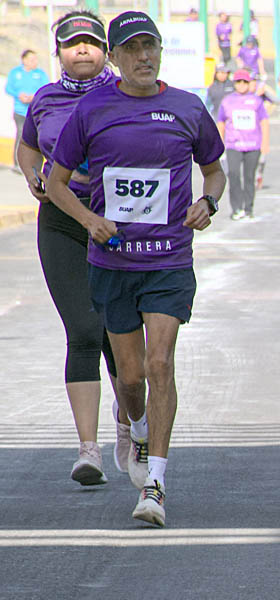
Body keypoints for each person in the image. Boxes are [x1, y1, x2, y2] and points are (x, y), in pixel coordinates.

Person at [46, 11, 226, 527]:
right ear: (117, 58)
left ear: (161, 53)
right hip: (112, 262)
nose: (144, 56)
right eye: (132, 49)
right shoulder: (93, 108)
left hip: (168, 260)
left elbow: (213, 172)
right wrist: (89, 219)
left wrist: (207, 204)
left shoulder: (187, 108)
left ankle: (156, 485)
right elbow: (56, 184)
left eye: (152, 47)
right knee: (129, 378)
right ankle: (137, 425)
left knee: (160, 364)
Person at [16, 10, 124, 487]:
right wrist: (31, 173)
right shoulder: (45, 98)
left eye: (91, 43)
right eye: (71, 43)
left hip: (118, 228)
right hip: (61, 223)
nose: (82, 50)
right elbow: (26, 146)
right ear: (58, 51)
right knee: (83, 328)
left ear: (106, 50)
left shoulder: (127, 96)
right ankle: (88, 449)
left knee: (117, 334)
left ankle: (131, 426)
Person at [217, 69, 268, 220]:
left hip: (253, 145)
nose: (241, 85)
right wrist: (220, 144)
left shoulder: (256, 101)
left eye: (244, 82)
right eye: (238, 82)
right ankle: (236, 208)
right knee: (233, 174)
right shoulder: (227, 101)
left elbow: (264, 121)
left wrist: (265, 143)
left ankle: (248, 208)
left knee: (249, 177)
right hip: (234, 145)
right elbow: (221, 122)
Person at [6, 49, 49, 173]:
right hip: (20, 111)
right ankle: (18, 164)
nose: (34, 62)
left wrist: (34, 97)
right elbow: (8, 88)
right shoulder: (15, 73)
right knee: (21, 135)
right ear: (24, 60)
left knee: (37, 138)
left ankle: (36, 165)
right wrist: (18, 95)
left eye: (35, 59)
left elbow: (46, 89)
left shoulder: (40, 74)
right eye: (31, 59)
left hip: (35, 112)